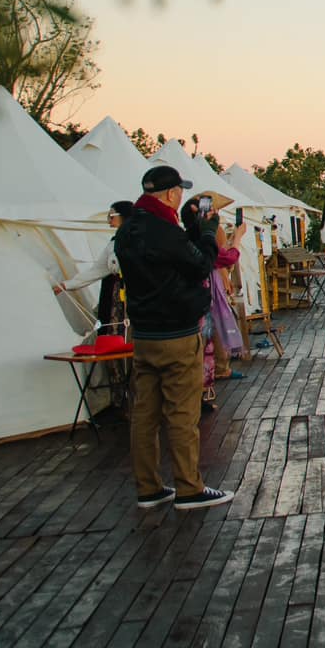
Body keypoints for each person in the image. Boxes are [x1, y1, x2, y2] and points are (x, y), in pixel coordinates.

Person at [112, 165, 234, 510]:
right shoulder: (164, 232)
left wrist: (191, 230)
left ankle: (149, 487)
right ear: (170, 194)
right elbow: (198, 265)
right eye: (179, 191)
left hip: (145, 333)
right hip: (176, 333)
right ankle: (188, 487)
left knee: (145, 413)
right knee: (182, 414)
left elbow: (173, 261)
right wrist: (207, 232)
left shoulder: (127, 230)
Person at [182, 197, 247, 408]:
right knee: (203, 347)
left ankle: (196, 393)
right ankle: (201, 394)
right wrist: (238, 237)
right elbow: (227, 257)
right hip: (201, 301)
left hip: (184, 304)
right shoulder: (204, 240)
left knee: (194, 350)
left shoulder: (180, 239)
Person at [55, 200, 134, 332]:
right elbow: (97, 270)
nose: (109, 220)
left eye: (111, 216)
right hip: (117, 295)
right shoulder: (113, 244)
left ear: (123, 216)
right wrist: (67, 285)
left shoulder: (140, 240)